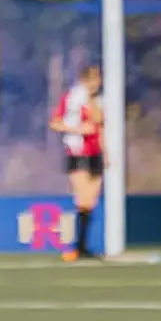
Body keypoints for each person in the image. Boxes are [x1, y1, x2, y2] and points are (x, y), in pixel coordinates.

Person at [50, 64, 104, 261]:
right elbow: (55, 123)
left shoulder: (99, 100)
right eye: (92, 79)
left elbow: (99, 123)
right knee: (83, 199)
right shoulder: (71, 98)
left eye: (98, 79)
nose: (96, 83)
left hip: (95, 153)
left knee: (92, 200)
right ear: (84, 80)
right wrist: (78, 130)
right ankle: (78, 246)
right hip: (77, 152)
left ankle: (83, 245)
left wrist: (106, 152)